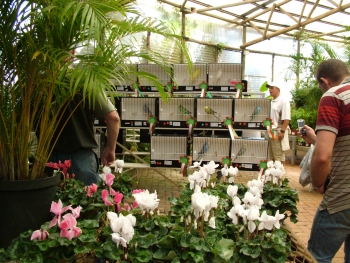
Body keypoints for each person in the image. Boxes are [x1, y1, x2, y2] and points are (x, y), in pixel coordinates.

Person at [301, 59, 350, 262]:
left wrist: (319, 183)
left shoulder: (334, 96)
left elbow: (322, 157)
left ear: (324, 81)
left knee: (316, 257)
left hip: (342, 198)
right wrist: (315, 139)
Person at [48, 92, 120, 185]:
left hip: (46, 156)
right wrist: (110, 149)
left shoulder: (38, 81)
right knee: (86, 196)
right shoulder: (87, 84)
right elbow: (113, 118)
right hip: (81, 159)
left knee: (47, 198)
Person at [266, 81, 291, 164]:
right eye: (269, 88)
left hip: (278, 131)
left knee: (279, 156)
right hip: (271, 131)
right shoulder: (272, 101)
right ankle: (273, 175)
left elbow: (286, 118)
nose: (270, 89)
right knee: (272, 155)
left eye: (272, 88)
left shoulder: (283, 101)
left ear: (278, 89)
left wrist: (282, 131)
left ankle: (279, 175)